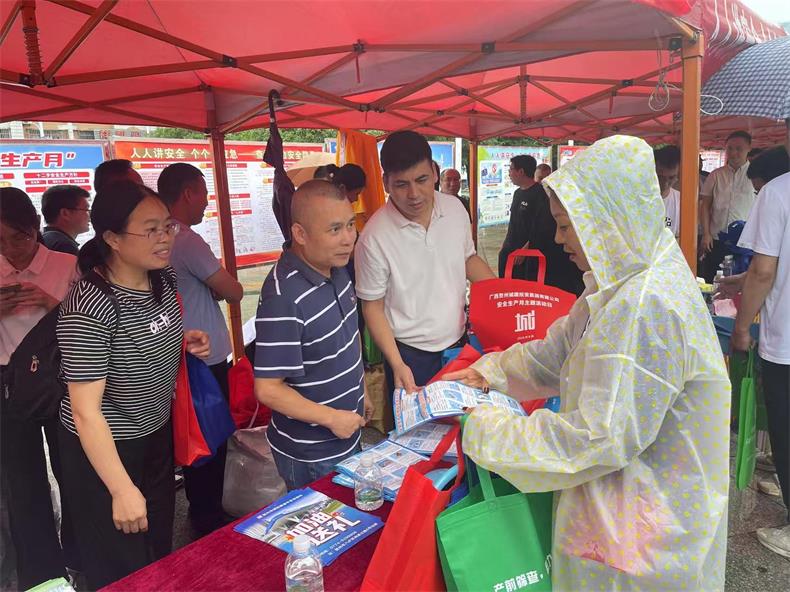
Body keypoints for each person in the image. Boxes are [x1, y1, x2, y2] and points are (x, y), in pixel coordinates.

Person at [445, 135, 730, 591]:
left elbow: (594, 438)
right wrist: (491, 372)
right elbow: (559, 351)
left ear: (605, 219)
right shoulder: (625, 275)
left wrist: (487, 429)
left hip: (645, 534)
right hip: (622, 511)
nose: (558, 239)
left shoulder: (645, 304)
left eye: (565, 225)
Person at [56, 180, 210, 589]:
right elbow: (85, 412)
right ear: (112, 238)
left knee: (157, 545)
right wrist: (121, 488)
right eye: (151, 230)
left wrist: (184, 340)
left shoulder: (163, 277)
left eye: (168, 226)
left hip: (154, 434)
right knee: (120, 564)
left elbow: (147, 335)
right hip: (106, 448)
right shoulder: (89, 306)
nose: (165, 238)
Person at [355, 130, 494, 398]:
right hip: (409, 356)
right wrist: (397, 364)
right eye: (401, 184)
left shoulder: (455, 209)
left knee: (465, 417)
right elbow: (372, 307)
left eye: (422, 180)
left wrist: (503, 299)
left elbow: (468, 259)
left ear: (434, 171)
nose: (414, 194)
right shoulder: (374, 237)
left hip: (459, 345)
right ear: (386, 183)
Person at [254, 180, 372, 491]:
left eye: (350, 225)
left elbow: (347, 337)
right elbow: (268, 389)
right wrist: (332, 418)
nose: (348, 238)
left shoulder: (337, 269)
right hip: (311, 453)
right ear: (300, 234)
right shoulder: (284, 297)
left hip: (346, 433)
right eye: (335, 229)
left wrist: (362, 388)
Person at [0, 187, 81, 588]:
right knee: (22, 481)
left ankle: (82, 556)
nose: (10, 251)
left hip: (61, 380)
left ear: (35, 228)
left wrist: (51, 304)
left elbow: (90, 323)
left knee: (74, 469)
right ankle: (42, 573)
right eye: (0, 242)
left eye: (18, 238)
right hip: (8, 383)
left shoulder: (68, 265)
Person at [157, 163, 242, 534]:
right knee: (211, 437)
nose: (207, 201)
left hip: (180, 354)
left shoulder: (164, 242)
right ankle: (208, 514)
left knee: (194, 434)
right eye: (204, 193)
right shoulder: (187, 240)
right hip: (203, 360)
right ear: (188, 193)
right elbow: (234, 290)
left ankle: (201, 506)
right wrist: (216, 287)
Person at [731, 157, 790, 559]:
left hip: (785, 338)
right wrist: (744, 280)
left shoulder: (778, 191)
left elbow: (765, 270)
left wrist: (741, 327)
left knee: (785, 429)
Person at [499, 155, 584, 295]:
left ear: (521, 171)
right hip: (513, 251)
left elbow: (541, 227)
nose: (509, 173)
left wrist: (526, 249)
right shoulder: (517, 193)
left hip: (530, 255)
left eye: (511, 169)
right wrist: (505, 244)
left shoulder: (541, 195)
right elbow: (514, 223)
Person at [700, 131, 756, 281]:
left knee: (740, 281)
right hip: (717, 239)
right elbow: (705, 206)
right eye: (730, 148)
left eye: (739, 149)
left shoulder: (755, 175)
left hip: (744, 241)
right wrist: (706, 233)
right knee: (712, 279)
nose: (733, 153)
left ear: (749, 148)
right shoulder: (716, 175)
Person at [40, 185, 91, 256]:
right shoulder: (64, 246)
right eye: (86, 210)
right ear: (65, 213)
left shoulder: (45, 238)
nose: (90, 215)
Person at [653, 145, 681, 239]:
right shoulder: (638, 198)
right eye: (660, 177)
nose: (665, 184)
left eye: (671, 178)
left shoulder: (681, 201)